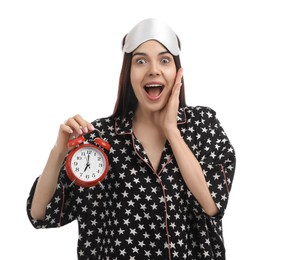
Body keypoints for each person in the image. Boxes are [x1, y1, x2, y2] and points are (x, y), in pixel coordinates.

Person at [27, 18, 236, 260]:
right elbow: (41, 214)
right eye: (140, 61)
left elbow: (212, 205)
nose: (153, 70)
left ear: (177, 71)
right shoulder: (99, 139)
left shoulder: (203, 125)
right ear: (128, 72)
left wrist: (171, 129)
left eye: (164, 60)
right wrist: (58, 153)